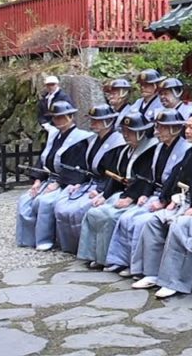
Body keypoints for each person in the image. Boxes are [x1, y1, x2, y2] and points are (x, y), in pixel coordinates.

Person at [131, 113, 192, 298]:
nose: (187, 131)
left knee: (179, 226)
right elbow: (177, 177)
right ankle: (151, 273)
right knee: (154, 221)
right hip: (184, 204)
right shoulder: (191, 151)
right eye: (187, 127)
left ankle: (173, 281)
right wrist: (167, 199)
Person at [103, 109, 192, 274]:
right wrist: (144, 193)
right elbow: (149, 177)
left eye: (163, 127)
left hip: (171, 197)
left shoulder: (185, 149)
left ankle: (138, 268)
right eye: (158, 126)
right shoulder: (159, 148)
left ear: (174, 128)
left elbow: (176, 178)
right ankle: (121, 260)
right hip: (155, 194)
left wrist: (163, 201)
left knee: (140, 222)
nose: (158, 130)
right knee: (126, 217)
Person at [77, 112, 158, 268]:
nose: (126, 135)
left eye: (131, 132)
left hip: (140, 196)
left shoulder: (150, 150)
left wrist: (130, 197)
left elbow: (147, 179)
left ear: (141, 132)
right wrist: (105, 195)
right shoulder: (124, 150)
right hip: (122, 192)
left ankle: (115, 260)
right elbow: (115, 176)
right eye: (124, 131)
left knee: (111, 217)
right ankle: (95, 255)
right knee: (94, 212)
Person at [17, 101, 93, 250]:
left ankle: (45, 239)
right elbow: (43, 160)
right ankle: (27, 239)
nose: (57, 121)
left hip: (66, 181)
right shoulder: (54, 136)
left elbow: (76, 167)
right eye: (55, 118)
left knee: (45, 202)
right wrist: (37, 180)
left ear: (70, 117)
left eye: (61, 117)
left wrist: (58, 183)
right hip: (48, 178)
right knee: (25, 200)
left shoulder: (79, 139)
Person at [53, 104, 127, 254]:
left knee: (80, 210)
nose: (93, 124)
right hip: (90, 183)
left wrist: (103, 193)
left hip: (106, 186)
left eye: (97, 120)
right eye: (92, 120)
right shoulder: (92, 140)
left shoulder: (118, 142)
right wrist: (78, 183)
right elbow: (85, 167)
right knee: (62, 207)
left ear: (108, 121)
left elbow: (115, 174)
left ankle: (86, 250)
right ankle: (68, 247)